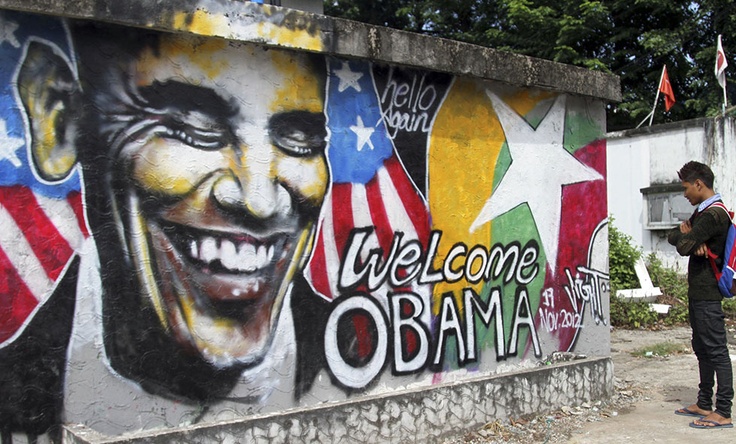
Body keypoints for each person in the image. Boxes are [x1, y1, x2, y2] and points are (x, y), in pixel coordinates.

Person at [0, 20, 335, 438]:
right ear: (60, 120)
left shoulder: (355, 350)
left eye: (299, 139)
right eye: (193, 127)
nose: (260, 201)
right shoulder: (15, 385)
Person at [668, 160, 733, 428]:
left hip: (708, 293)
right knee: (702, 348)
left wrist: (689, 240)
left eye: (686, 189)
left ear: (699, 184)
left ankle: (724, 410)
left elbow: (682, 246)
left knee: (716, 349)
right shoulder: (702, 212)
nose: (685, 195)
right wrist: (689, 238)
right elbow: (675, 237)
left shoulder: (713, 215)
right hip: (698, 292)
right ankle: (704, 401)